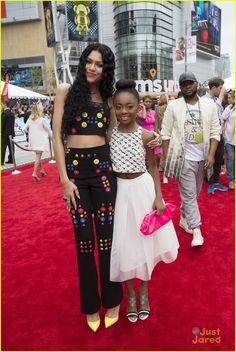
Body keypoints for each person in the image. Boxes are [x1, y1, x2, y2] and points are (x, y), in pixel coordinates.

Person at [52, 43, 160, 332]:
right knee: (84, 242)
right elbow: (56, 136)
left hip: (103, 173)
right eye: (89, 61)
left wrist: (151, 137)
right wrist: (63, 179)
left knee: (108, 241)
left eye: (99, 64)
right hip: (75, 175)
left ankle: (113, 300)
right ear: (82, 63)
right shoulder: (65, 91)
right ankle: (90, 306)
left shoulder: (109, 98)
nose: (92, 67)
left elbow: (123, 131)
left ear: (106, 69)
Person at [109, 80, 179, 323]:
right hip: (120, 193)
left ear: (139, 106)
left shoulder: (147, 135)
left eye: (129, 106)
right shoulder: (109, 134)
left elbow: (152, 167)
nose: (124, 112)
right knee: (125, 245)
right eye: (119, 107)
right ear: (113, 107)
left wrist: (159, 197)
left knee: (146, 245)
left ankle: (144, 293)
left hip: (143, 191)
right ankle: (130, 296)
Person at [161, 72, 221, 247]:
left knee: (193, 193)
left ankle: (184, 217)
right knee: (189, 195)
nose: (187, 86)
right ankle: (196, 230)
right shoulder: (173, 106)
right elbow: (165, 134)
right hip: (183, 157)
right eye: (184, 84)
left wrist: (210, 155)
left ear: (196, 84)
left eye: (190, 83)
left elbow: (215, 132)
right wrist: (165, 157)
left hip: (202, 157)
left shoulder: (209, 104)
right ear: (180, 87)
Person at [204, 77, 228, 194]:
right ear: (213, 88)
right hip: (209, 135)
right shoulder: (204, 100)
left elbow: (221, 115)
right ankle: (210, 181)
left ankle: (216, 181)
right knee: (210, 158)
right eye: (220, 88)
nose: (221, 90)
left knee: (219, 158)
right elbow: (212, 112)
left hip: (219, 133)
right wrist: (221, 97)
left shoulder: (215, 99)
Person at [24, 103, 52, 181]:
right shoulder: (42, 120)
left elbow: (25, 129)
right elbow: (49, 131)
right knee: (38, 156)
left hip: (33, 140)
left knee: (38, 155)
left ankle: (42, 170)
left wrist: (29, 133)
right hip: (41, 140)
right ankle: (34, 173)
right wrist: (53, 139)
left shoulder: (30, 119)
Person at [220, 90, 235, 190]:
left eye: (230, 97)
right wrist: (222, 134)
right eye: (228, 97)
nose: (228, 99)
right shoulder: (228, 108)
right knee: (231, 158)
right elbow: (222, 120)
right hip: (229, 138)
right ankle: (230, 180)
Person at [1, 101, 15, 166]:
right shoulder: (12, 113)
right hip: (11, 133)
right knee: (11, 147)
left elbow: (2, 124)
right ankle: (11, 159)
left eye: (2, 104)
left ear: (5, 105)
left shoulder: (4, 113)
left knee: (3, 147)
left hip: (5, 133)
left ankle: (1, 161)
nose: (2, 106)